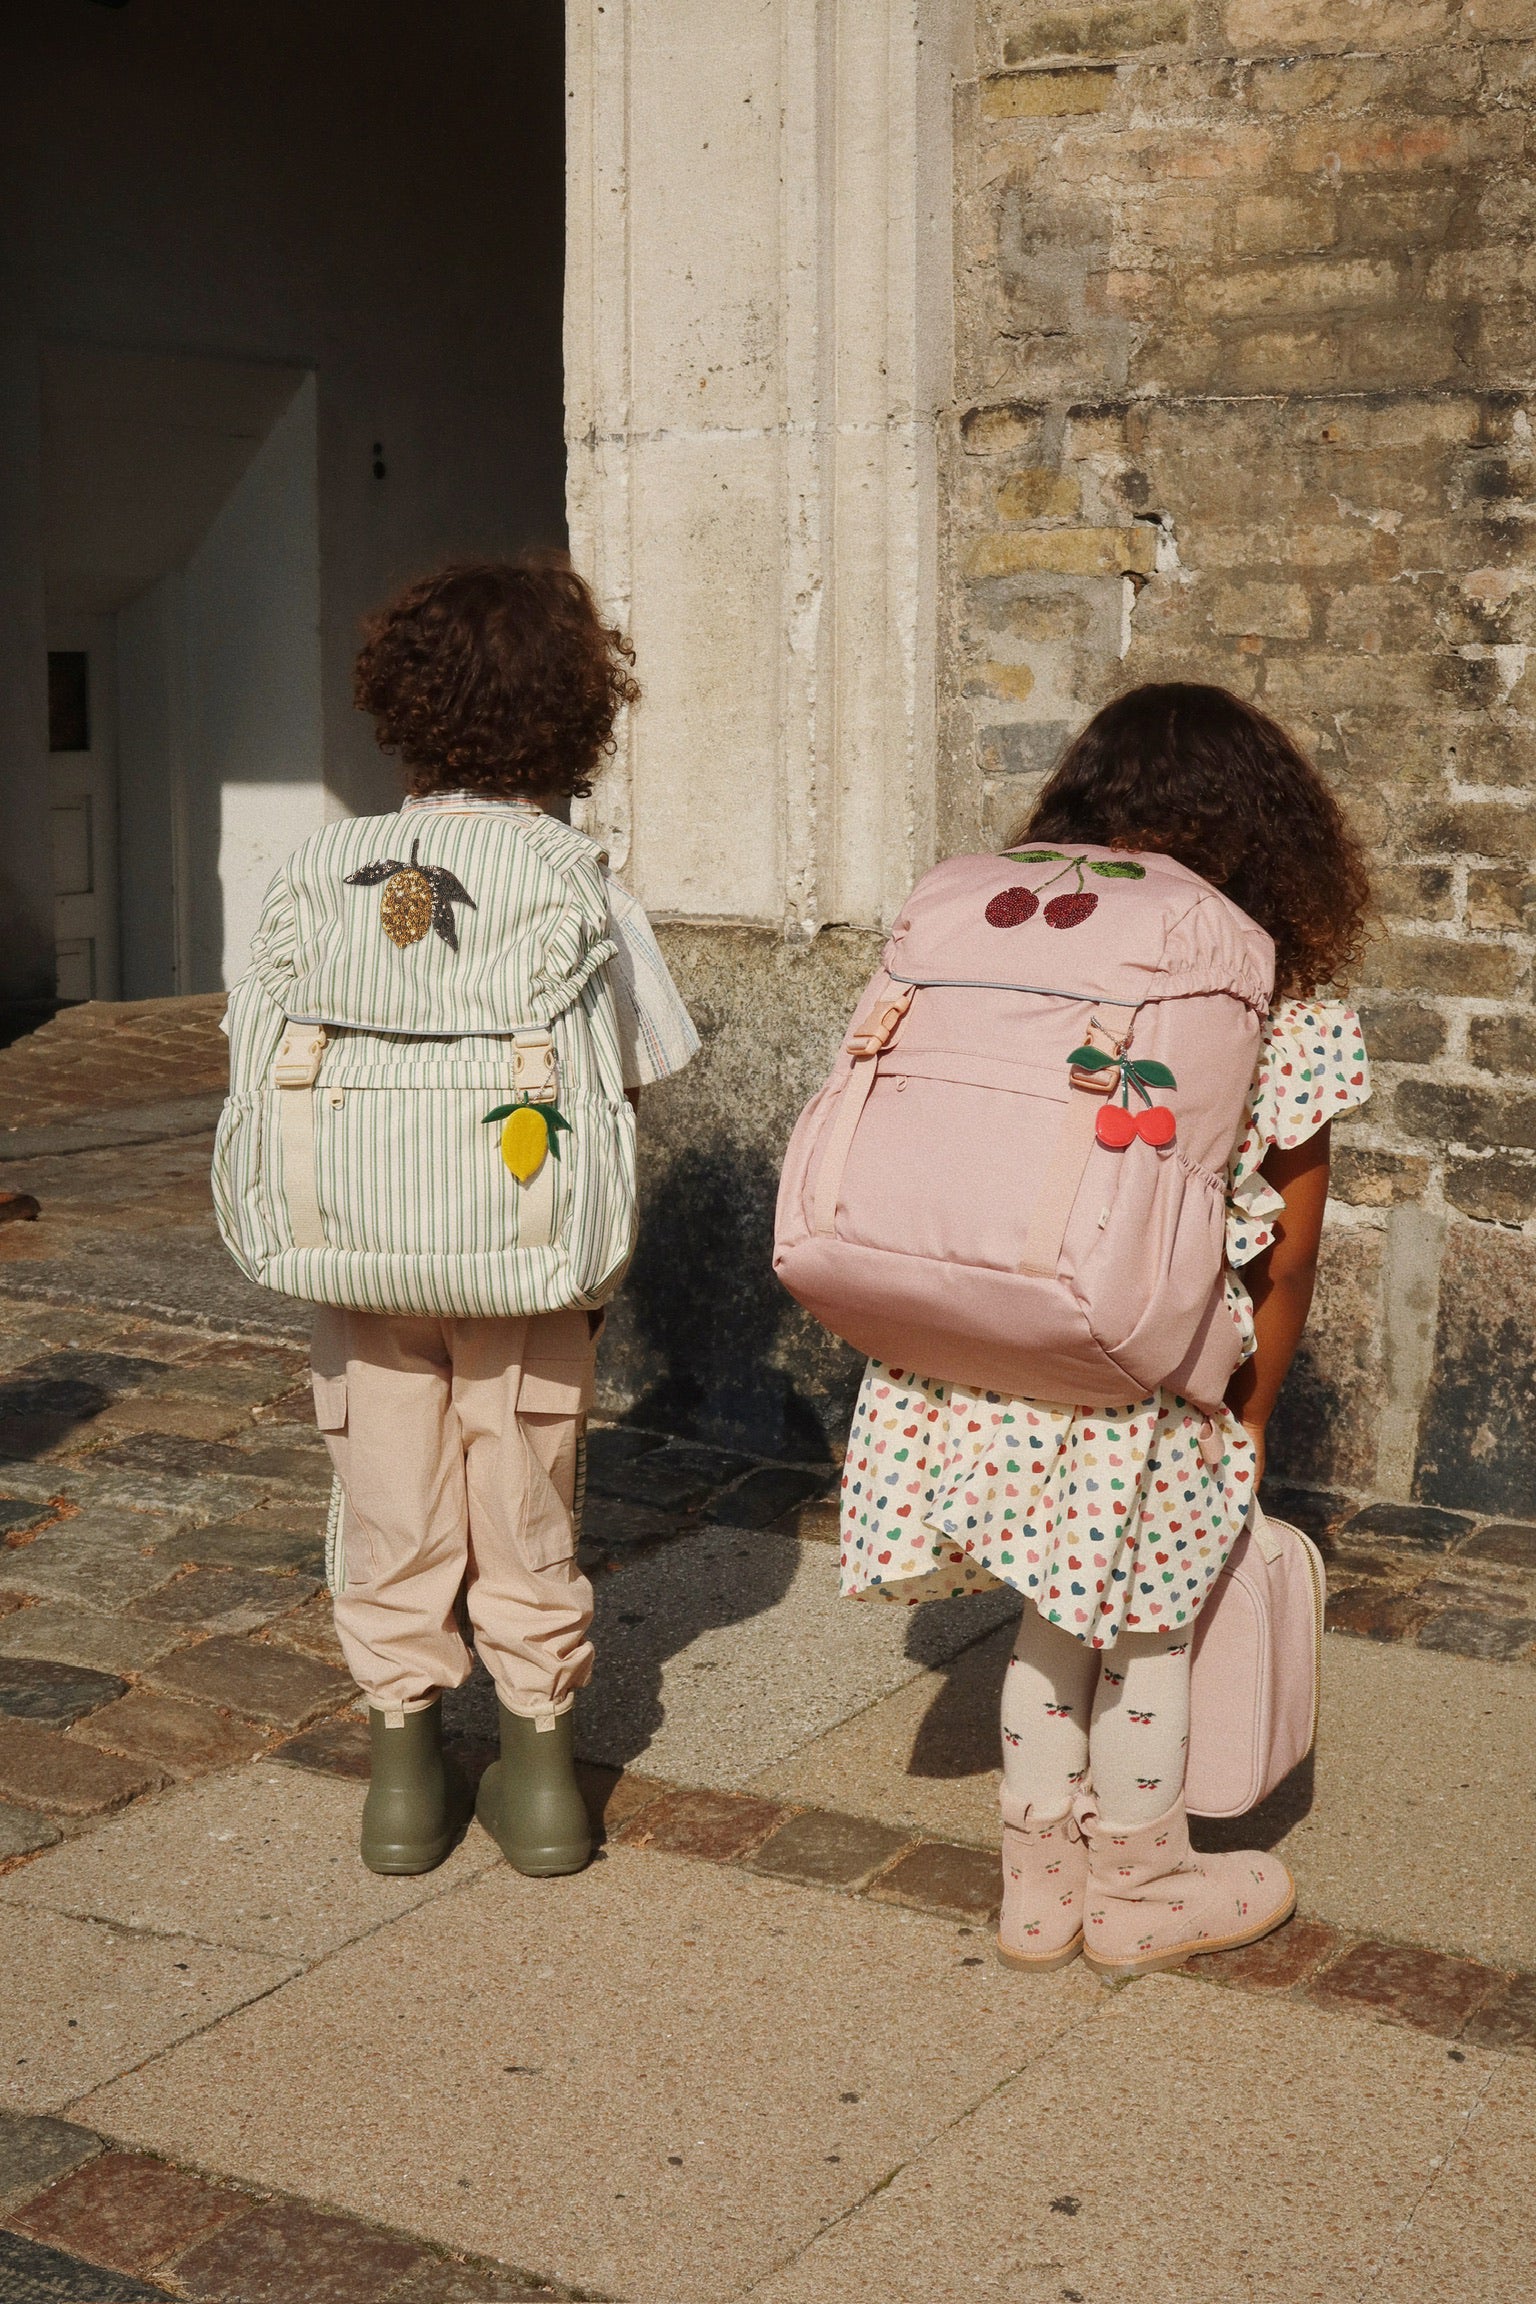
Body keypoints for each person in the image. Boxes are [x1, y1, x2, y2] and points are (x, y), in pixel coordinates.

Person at [837, 684, 1371, 1978]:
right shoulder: (1285, 1003)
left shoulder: (1018, 958)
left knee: (1048, 1616)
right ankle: (1140, 1885)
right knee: (1148, 1635)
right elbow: (1289, 1251)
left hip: (1003, 1349)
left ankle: (1037, 1897)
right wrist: (1252, 1411)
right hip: (1157, 1373)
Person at [247, 560, 696, 1878]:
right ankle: (541, 1780)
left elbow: (263, 1047)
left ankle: (402, 1784)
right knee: (524, 1494)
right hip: (527, 1249)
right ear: (578, 714)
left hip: (356, 1245)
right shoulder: (577, 880)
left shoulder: (316, 868)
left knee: (387, 1496)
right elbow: (639, 1072)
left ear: (400, 704)